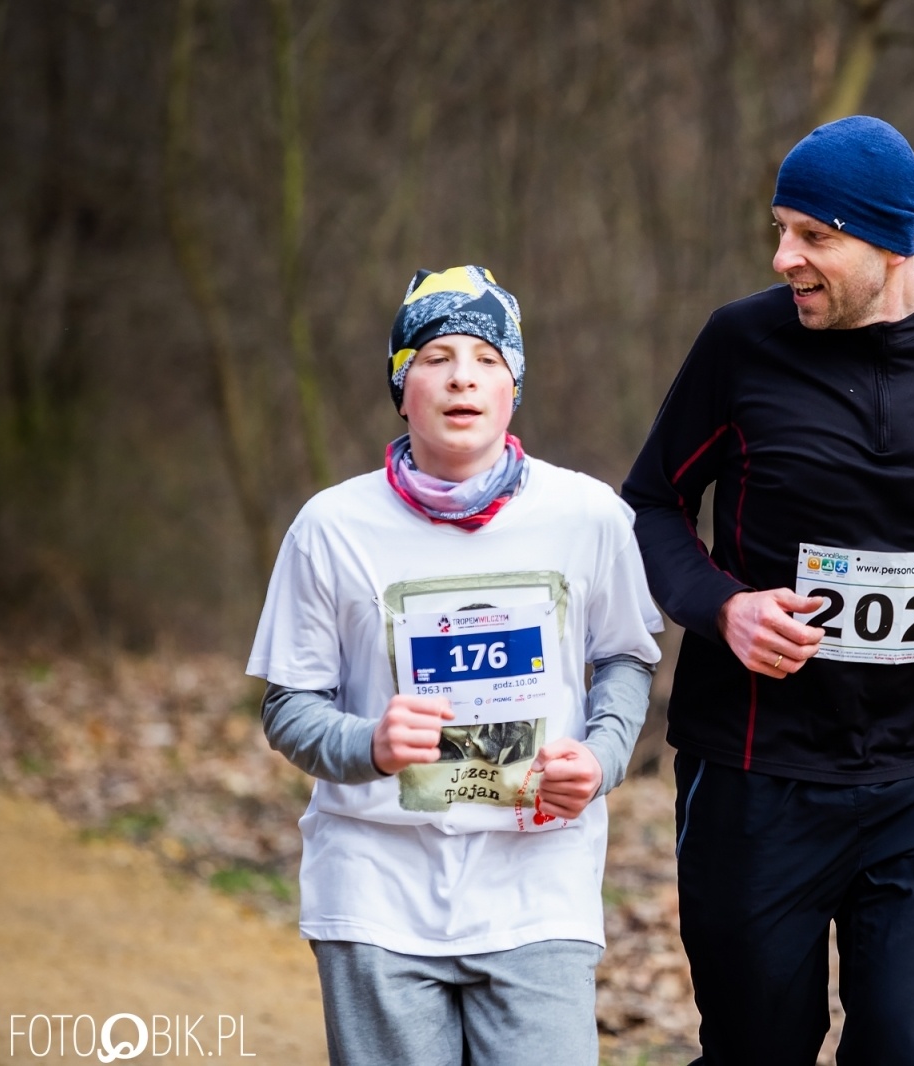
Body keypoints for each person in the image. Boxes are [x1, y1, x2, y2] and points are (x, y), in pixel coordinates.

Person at [621, 116, 914, 1065]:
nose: (784, 256)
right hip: (755, 777)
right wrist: (725, 608)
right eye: (780, 228)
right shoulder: (741, 344)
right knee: (759, 1050)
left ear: (893, 244)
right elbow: (652, 507)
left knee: (905, 1050)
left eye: (814, 236)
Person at [247, 265, 662, 1066]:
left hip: (538, 882)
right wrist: (369, 742)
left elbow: (625, 658)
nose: (462, 376)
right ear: (402, 387)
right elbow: (289, 705)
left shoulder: (589, 516)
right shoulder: (330, 527)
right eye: (436, 356)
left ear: (514, 388)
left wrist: (602, 758)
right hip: (375, 889)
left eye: (487, 357)